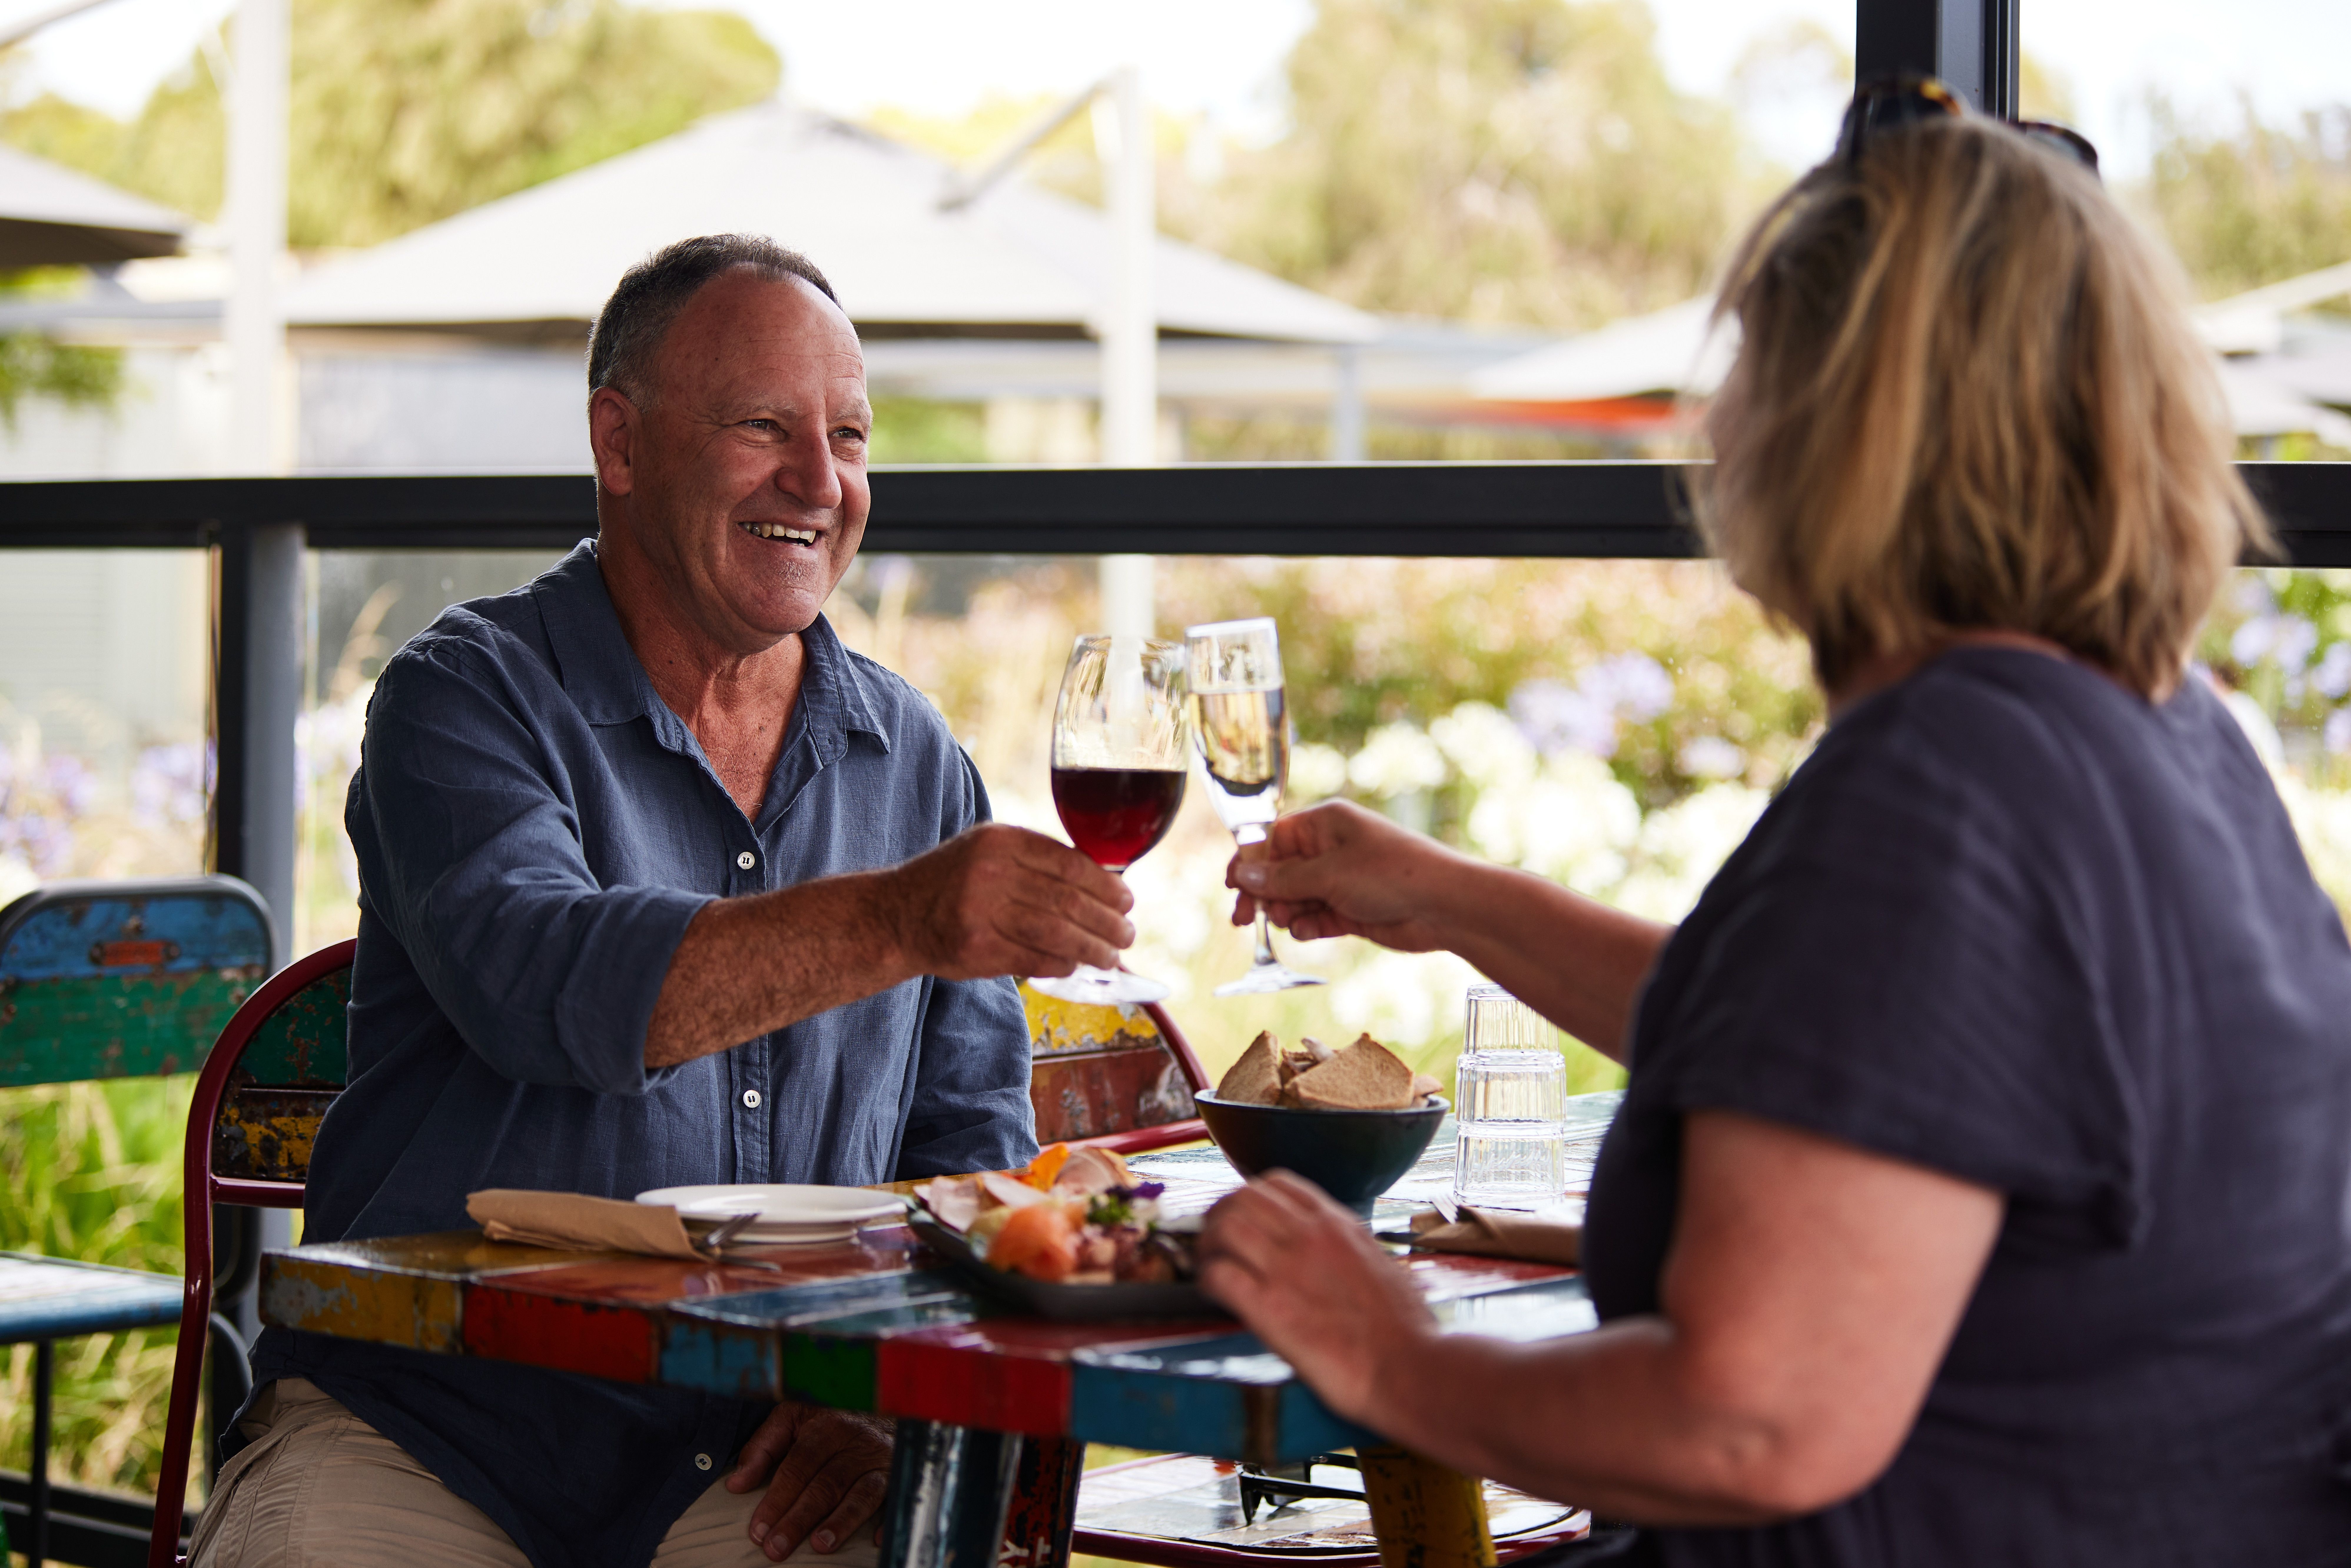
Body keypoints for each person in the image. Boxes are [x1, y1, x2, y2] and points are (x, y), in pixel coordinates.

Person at [1199, 87, 2351, 1567]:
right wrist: (1455, 903)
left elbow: (1750, 1421)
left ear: (1834, 420)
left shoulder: (1947, 783)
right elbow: (1859, 1068)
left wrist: (1389, 1355)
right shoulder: (2164, 731)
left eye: (1746, 358)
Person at [195, 236, 1138, 1568]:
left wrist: (887, 1414)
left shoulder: (915, 760)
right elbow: (546, 991)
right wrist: (902, 920)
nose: (820, 481)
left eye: (850, 437)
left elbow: (967, 1159)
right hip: (433, 1424)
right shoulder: (463, 697)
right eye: (764, 427)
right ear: (621, 446)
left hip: (763, 1457)